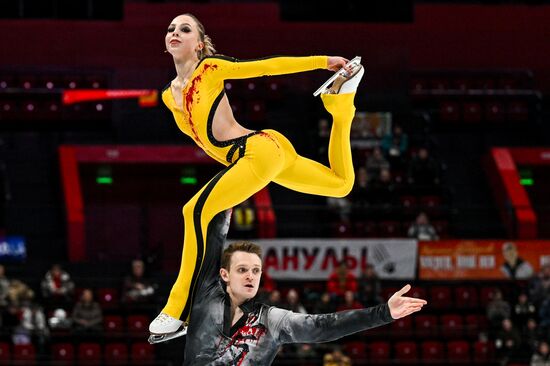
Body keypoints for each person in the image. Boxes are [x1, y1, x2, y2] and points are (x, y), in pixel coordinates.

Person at [150, 12, 365, 338]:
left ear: (200, 44)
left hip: (257, 150)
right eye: (171, 29)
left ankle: (176, 309)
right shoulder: (169, 96)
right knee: (341, 183)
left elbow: (266, 66)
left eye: (185, 29)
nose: (175, 32)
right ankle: (341, 103)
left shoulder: (210, 68)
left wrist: (322, 61)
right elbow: (205, 141)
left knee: (194, 210)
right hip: (259, 155)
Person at [155, 210, 426, 364]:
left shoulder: (270, 319)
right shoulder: (206, 296)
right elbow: (213, 241)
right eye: (242, 270)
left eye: (256, 270)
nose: (251, 276)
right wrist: (226, 206)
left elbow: (324, 326)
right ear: (224, 274)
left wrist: (384, 313)